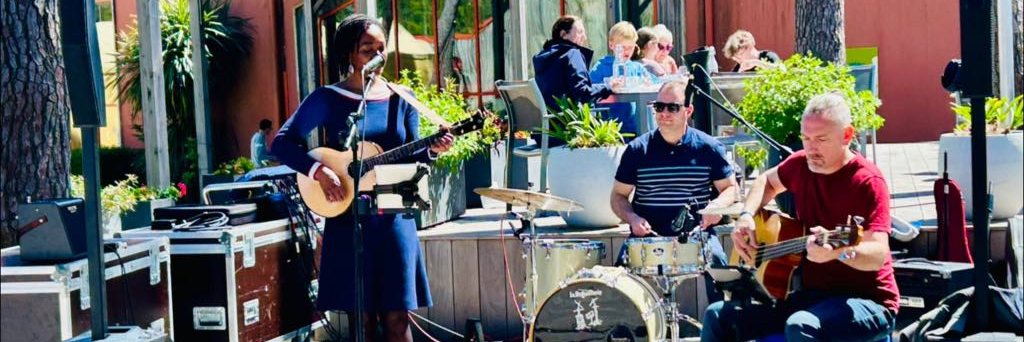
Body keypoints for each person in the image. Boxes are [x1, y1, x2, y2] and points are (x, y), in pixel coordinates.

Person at [271, 14, 454, 342]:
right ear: (349, 54)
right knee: (363, 325)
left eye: (382, 48)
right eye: (367, 48)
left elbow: (412, 154)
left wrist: (434, 149)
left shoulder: (403, 98)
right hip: (348, 220)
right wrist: (320, 171)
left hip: (394, 219)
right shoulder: (328, 98)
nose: (377, 55)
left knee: (398, 321)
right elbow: (282, 143)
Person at [701, 93, 899, 342]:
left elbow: (878, 254)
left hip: (869, 302)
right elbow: (766, 181)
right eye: (806, 138)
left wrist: (839, 252)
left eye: (821, 139)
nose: (811, 148)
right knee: (718, 316)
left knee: (801, 325)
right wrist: (746, 216)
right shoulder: (801, 164)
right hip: (812, 296)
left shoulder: (867, 181)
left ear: (847, 135)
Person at [610, 79, 738, 301]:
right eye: (659, 107)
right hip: (646, 237)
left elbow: (730, 189)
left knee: (723, 274)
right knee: (618, 284)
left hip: (696, 235)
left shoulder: (708, 147)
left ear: (688, 110)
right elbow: (618, 196)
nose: (664, 113)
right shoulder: (637, 150)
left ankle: (722, 326)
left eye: (672, 107)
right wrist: (632, 218)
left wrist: (716, 207)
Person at [533, 15, 622, 114]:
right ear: (564, 34)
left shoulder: (541, 57)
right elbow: (582, 93)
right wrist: (609, 87)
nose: (585, 37)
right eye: (580, 32)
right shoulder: (572, 53)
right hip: (572, 123)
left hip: (550, 123)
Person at [589, 21, 657, 134]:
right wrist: (607, 86)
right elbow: (589, 88)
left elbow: (655, 83)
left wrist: (648, 83)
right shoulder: (602, 66)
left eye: (630, 47)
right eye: (622, 47)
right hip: (610, 128)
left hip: (636, 125)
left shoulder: (637, 68)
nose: (626, 51)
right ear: (611, 45)